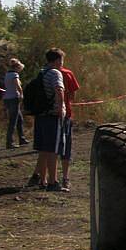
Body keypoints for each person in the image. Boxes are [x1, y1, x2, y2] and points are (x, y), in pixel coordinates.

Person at [28, 48, 67, 192]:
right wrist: (59, 108)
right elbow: (59, 89)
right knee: (53, 149)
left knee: (44, 148)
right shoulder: (55, 73)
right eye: (61, 60)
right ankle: (53, 182)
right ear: (57, 60)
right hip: (52, 115)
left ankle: (43, 180)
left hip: (41, 114)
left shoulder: (42, 72)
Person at [58, 60, 80, 191]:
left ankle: (43, 177)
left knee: (48, 149)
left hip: (46, 116)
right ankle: (65, 178)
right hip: (65, 115)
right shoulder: (67, 73)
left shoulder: (43, 74)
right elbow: (72, 95)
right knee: (66, 148)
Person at [2, 58, 28, 149]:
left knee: (19, 119)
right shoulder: (14, 75)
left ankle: (22, 138)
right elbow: (18, 85)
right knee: (13, 121)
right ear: (16, 67)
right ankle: (9, 142)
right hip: (14, 98)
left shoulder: (7, 75)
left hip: (7, 98)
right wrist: (21, 94)